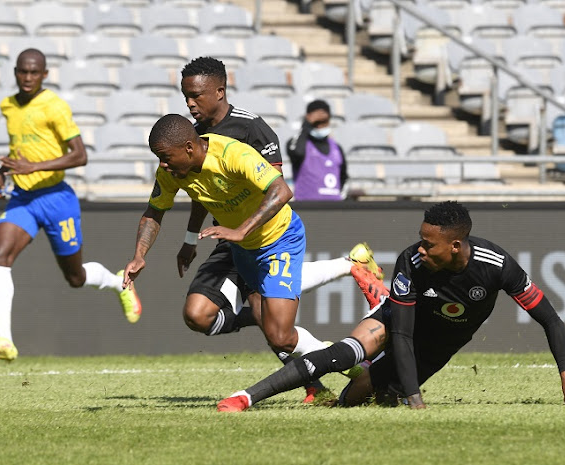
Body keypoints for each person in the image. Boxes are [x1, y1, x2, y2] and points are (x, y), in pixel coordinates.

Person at [217, 201, 565, 411]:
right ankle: (245, 398)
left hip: (438, 346)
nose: (419, 248)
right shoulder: (411, 262)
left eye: (428, 243)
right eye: (420, 238)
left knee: (359, 400)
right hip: (398, 322)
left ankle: (361, 378)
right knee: (342, 353)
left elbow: (550, 319)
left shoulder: (497, 266)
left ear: (455, 246)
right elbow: (400, 332)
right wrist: (416, 399)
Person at [175, 57, 382, 402]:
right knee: (208, 318)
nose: (189, 103)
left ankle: (329, 373)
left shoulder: (252, 130)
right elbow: (200, 193)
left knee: (278, 330)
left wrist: (244, 228)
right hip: (229, 237)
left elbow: (277, 190)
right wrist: (188, 238)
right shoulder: (192, 138)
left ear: (220, 91)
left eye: (195, 95)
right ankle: (334, 364)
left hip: (263, 234)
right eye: (185, 96)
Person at [123, 114, 343, 387]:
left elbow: (282, 190)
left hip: (279, 239)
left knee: (281, 337)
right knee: (256, 328)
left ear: (189, 148)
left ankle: (347, 352)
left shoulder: (233, 154)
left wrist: (240, 230)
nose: (163, 164)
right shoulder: (172, 172)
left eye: (166, 157)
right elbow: (154, 211)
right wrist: (139, 254)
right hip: (242, 248)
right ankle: (321, 378)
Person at [0, 48, 141, 362]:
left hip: (56, 199)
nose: (27, 78)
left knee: (75, 277)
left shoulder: (54, 106)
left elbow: (80, 155)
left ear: (44, 75)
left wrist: (34, 168)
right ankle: (5, 340)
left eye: (34, 72)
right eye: (22, 72)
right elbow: (19, 147)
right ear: (15, 72)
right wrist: (2, 174)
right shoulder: (8, 105)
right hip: (23, 198)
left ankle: (119, 283)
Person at [286, 99, 347, 201]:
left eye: (323, 121)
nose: (320, 126)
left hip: (334, 207)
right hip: (307, 206)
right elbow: (297, 152)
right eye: (316, 123)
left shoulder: (337, 148)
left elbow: (343, 176)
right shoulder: (299, 143)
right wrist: (306, 125)